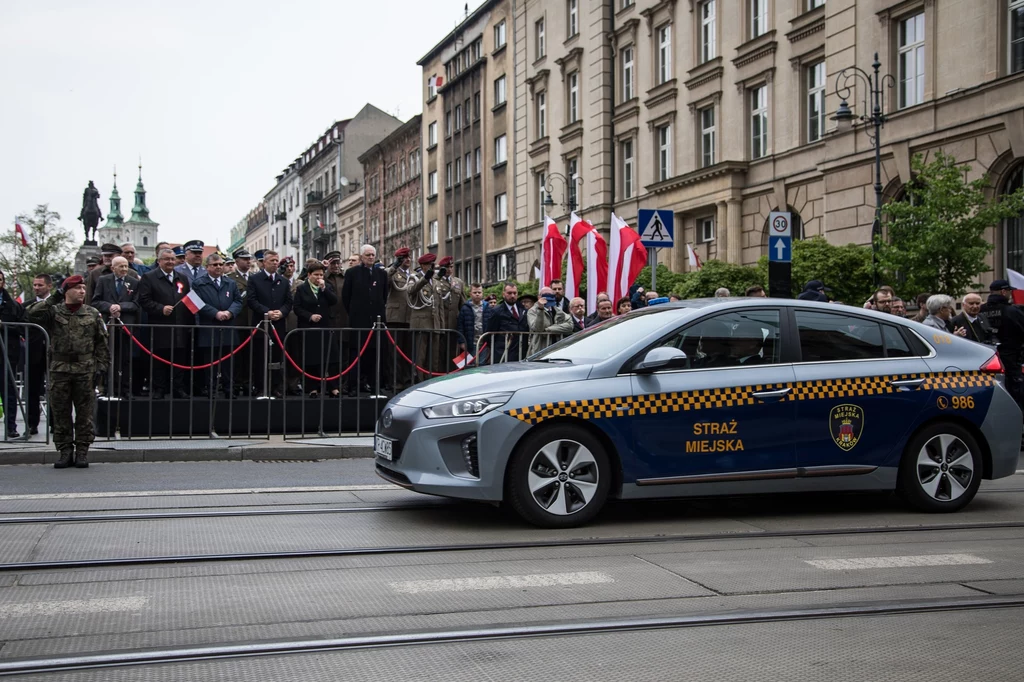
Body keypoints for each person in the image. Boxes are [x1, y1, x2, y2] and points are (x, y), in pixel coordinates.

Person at [27, 275, 108, 468]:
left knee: (84, 413)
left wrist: (101, 368)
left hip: (85, 369)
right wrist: (55, 297)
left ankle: (82, 451)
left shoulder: (92, 313)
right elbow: (31, 315)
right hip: (60, 369)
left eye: (83, 288)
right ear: (66, 291)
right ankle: (65, 451)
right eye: (77, 288)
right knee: (61, 412)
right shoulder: (54, 311)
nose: (82, 291)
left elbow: (102, 343)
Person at [138, 248, 192, 399]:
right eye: (167, 259)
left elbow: (187, 299)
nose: (170, 262)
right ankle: (159, 389)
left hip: (180, 327)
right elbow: (144, 300)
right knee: (159, 360)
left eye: (172, 259)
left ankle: (178, 389)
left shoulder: (182, 278)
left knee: (179, 360)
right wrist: (160, 309)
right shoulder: (149, 277)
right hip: (160, 326)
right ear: (159, 260)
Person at [191, 254, 243, 398]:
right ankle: (212, 389)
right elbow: (196, 303)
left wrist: (230, 312)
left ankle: (229, 389)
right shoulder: (198, 283)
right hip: (209, 327)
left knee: (228, 362)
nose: (218, 267)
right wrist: (215, 313)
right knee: (210, 362)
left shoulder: (230, 283)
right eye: (215, 265)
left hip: (228, 326)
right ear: (207, 267)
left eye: (220, 264)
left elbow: (238, 301)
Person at [341, 244, 388, 394]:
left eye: (373, 255)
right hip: (358, 320)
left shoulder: (381, 274)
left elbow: (383, 295)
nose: (371, 257)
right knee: (356, 355)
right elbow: (346, 297)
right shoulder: (352, 273)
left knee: (374, 355)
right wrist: (355, 313)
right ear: (362, 257)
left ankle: (373, 385)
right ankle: (353, 386)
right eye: (368, 255)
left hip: (376, 320)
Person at [92, 256, 141, 398]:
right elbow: (96, 301)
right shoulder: (103, 280)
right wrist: (109, 307)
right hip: (108, 325)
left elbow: (136, 304)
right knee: (108, 358)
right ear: (113, 268)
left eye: (126, 266)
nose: (124, 269)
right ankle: (108, 388)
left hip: (125, 326)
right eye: (121, 266)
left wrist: (121, 307)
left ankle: (125, 389)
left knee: (125, 359)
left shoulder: (134, 283)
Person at [247, 250, 294, 398]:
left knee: (277, 357)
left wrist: (282, 312)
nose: (275, 263)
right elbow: (252, 300)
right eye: (272, 260)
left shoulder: (283, 281)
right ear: (264, 262)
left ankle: (275, 386)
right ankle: (260, 386)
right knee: (260, 357)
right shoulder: (255, 279)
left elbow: (288, 302)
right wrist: (266, 312)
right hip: (261, 324)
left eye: (276, 260)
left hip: (278, 325)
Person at [293, 262, 340, 396]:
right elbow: (297, 307)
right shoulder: (302, 289)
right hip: (309, 328)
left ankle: (333, 387)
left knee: (330, 358)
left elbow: (334, 301)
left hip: (325, 327)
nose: (319, 277)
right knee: (311, 358)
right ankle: (312, 388)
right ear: (309, 275)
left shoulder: (327, 287)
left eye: (321, 274)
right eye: (316, 275)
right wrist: (309, 316)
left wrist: (324, 288)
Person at [982, 280, 1024, 405]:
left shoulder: (981, 310)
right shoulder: (1012, 311)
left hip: (987, 360)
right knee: (1014, 394)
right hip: (1011, 359)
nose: (1010, 294)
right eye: (1009, 291)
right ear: (1003, 291)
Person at [25, 274, 53, 435]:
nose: (36, 288)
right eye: (35, 285)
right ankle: (32, 423)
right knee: (32, 388)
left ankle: (55, 423)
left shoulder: (56, 305)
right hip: (34, 351)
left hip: (53, 351)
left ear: (49, 286)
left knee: (55, 388)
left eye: (40, 285)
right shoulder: (28, 305)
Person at [225, 249, 255, 396]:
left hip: (253, 323)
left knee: (251, 357)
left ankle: (248, 383)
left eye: (249, 259)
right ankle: (236, 383)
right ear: (236, 261)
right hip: (238, 322)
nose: (248, 262)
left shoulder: (255, 278)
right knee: (236, 357)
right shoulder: (230, 278)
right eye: (244, 259)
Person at [0, 271, 26, 438]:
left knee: (8, 390)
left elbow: (23, 327)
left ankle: (11, 427)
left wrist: (4, 326)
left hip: (7, 353)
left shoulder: (13, 305)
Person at [408, 253, 441, 375]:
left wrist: (440, 326)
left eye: (433, 264)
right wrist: (425, 279)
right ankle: (419, 380)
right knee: (420, 357)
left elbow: (439, 305)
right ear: (422, 265)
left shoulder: (436, 281)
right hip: (421, 323)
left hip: (434, 324)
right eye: (429, 264)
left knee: (433, 358)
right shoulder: (414, 277)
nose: (432, 267)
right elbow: (410, 290)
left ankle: (431, 381)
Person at [385, 248, 413, 388]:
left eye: (408, 257)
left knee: (407, 352)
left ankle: (407, 380)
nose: (407, 260)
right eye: (404, 258)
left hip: (408, 318)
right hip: (395, 317)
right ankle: (395, 381)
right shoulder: (392, 272)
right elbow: (385, 279)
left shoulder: (412, 276)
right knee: (395, 353)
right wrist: (395, 265)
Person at [485, 282, 528, 362]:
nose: (512, 296)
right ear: (503, 294)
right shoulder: (496, 312)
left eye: (514, 293)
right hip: (503, 354)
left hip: (521, 353)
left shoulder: (523, 310)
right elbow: (489, 334)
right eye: (509, 293)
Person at [528, 286, 574, 356]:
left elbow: (570, 325)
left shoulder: (558, 310)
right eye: (545, 295)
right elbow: (538, 329)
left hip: (556, 348)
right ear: (539, 297)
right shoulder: (532, 311)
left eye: (551, 295)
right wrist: (540, 309)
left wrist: (548, 330)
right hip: (540, 349)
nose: (548, 298)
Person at [458, 283, 493, 361]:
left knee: (482, 364)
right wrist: (461, 342)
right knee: (470, 365)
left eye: (479, 292)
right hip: (470, 343)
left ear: (482, 293)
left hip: (484, 343)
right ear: (470, 294)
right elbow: (460, 326)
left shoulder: (488, 308)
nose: (477, 294)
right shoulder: (465, 308)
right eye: (475, 292)